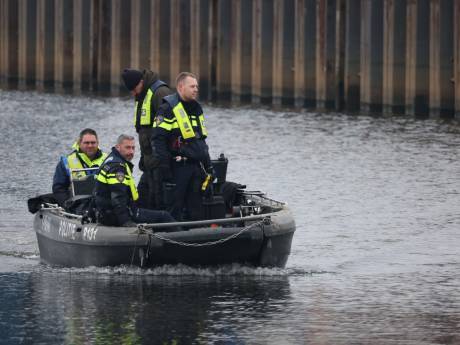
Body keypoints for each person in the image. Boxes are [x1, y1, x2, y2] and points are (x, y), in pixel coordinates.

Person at [152, 72, 214, 221]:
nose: (196, 89)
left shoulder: (197, 109)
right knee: (174, 209)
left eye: (197, 86)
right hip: (176, 168)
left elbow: (201, 143)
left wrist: (209, 167)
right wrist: (165, 169)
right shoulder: (167, 110)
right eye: (192, 86)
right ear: (180, 87)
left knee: (196, 210)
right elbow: (158, 141)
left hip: (195, 168)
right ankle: (172, 239)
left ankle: (197, 238)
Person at [94, 134, 177, 228]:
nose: (131, 152)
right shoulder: (118, 168)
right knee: (164, 216)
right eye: (127, 148)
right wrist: (125, 221)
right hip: (113, 215)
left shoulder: (111, 159)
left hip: (106, 212)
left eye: (133, 148)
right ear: (118, 147)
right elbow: (118, 198)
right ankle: (181, 241)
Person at [121, 68, 173, 210]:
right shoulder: (142, 95)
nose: (133, 93)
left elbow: (171, 128)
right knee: (144, 198)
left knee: (160, 201)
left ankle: (164, 230)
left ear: (141, 82)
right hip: (149, 161)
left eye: (134, 89)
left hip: (160, 161)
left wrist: (162, 160)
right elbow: (144, 131)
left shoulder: (160, 93)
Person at [52, 128, 107, 205]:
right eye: (86, 143)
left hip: (104, 205)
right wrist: (68, 206)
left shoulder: (108, 160)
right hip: (78, 207)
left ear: (98, 143)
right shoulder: (66, 162)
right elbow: (59, 189)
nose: (90, 145)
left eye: (93, 142)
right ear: (79, 143)